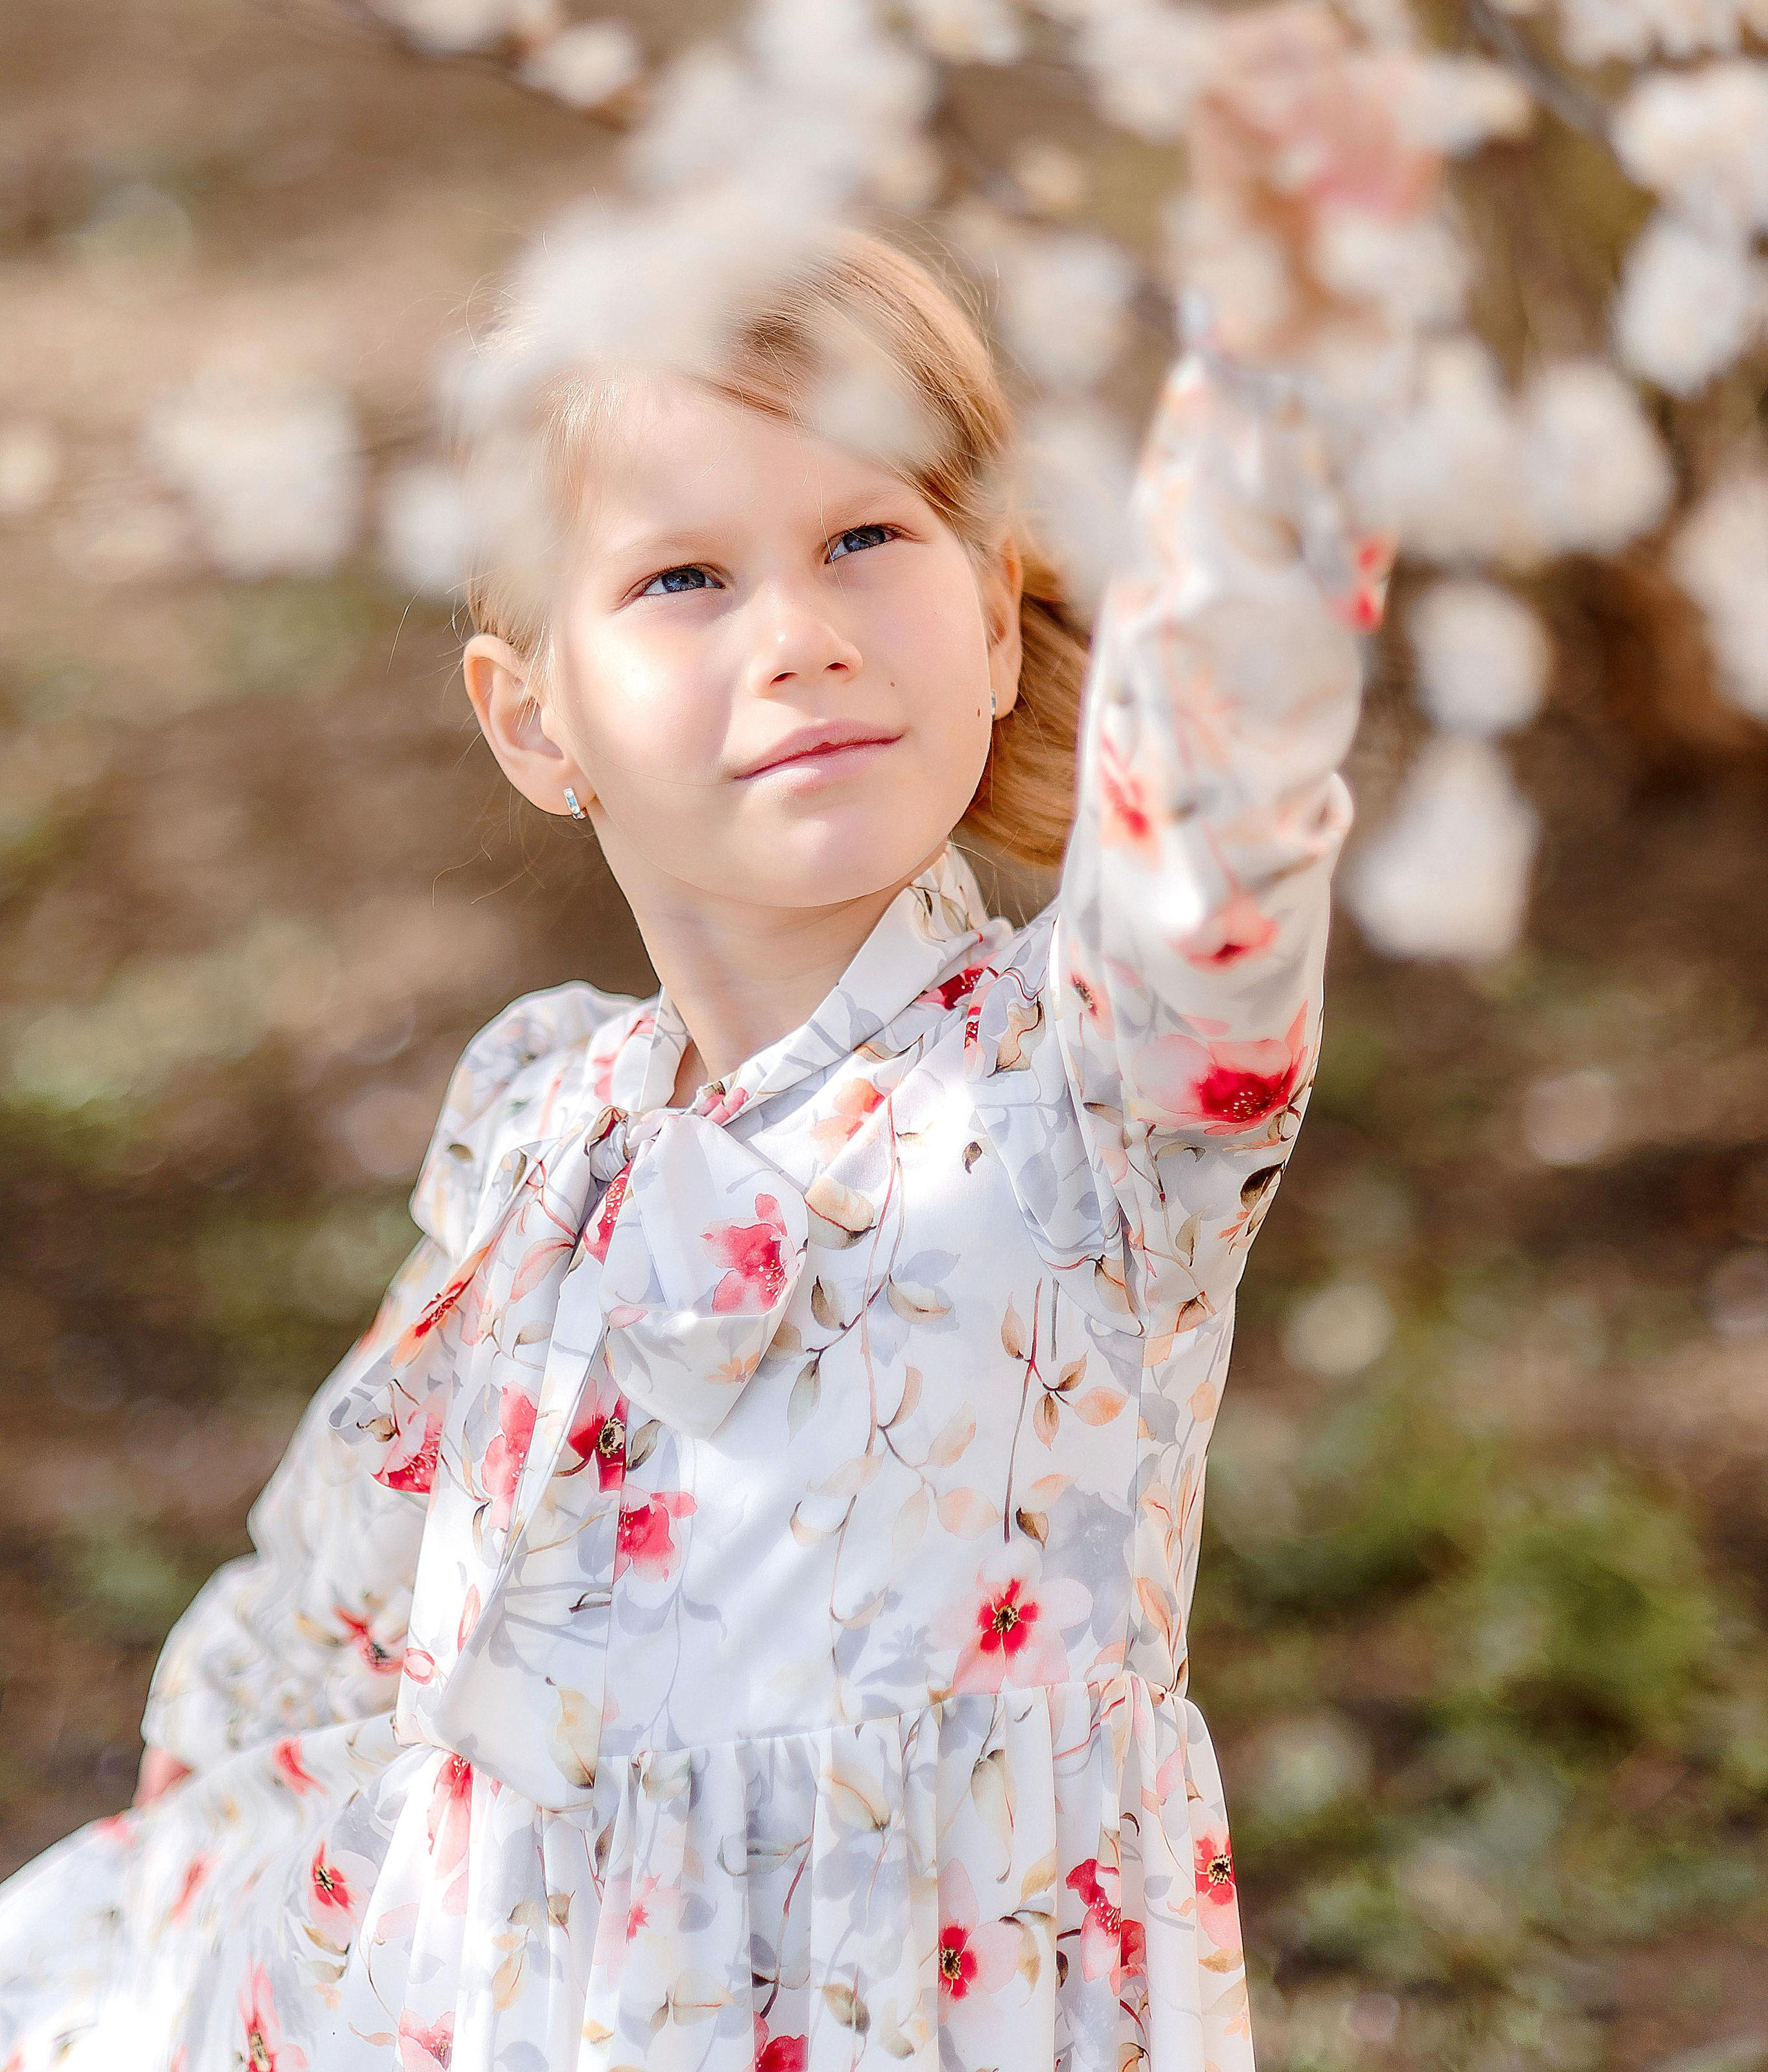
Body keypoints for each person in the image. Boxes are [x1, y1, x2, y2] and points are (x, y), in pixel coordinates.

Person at [0, 231, 1381, 2071]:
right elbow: (340, 1571)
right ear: (534, 717)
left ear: (992, 612)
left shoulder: (1081, 1094)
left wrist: (1289, 358)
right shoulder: (543, 1124)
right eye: (683, 575)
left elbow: (1226, 809)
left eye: (866, 540)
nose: (798, 631)